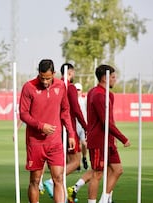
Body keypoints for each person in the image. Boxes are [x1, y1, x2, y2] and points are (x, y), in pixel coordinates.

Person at [19, 59, 76, 203]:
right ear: (38, 73)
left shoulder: (61, 86)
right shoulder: (29, 87)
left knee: (58, 178)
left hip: (55, 142)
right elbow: (23, 114)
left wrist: (71, 133)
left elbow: (65, 111)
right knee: (35, 181)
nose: (45, 81)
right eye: (42, 77)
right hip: (35, 143)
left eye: (48, 78)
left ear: (54, 74)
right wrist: (40, 126)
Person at [43, 63, 87, 201]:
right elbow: (75, 109)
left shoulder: (53, 84)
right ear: (71, 72)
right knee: (75, 161)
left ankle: (60, 192)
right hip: (67, 129)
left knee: (60, 161)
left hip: (53, 128)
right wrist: (86, 126)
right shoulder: (70, 87)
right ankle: (51, 182)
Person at [86, 65, 131, 203]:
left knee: (117, 170)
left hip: (108, 139)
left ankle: (104, 200)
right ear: (105, 78)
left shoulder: (108, 95)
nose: (115, 80)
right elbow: (105, 121)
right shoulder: (98, 94)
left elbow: (110, 119)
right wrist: (123, 138)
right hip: (98, 140)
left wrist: (113, 138)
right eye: (112, 77)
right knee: (97, 174)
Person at [74, 82, 88, 170]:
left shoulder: (84, 100)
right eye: (76, 89)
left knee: (84, 144)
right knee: (76, 146)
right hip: (74, 126)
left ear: (81, 90)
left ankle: (84, 158)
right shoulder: (71, 100)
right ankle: (77, 162)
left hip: (83, 126)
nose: (77, 91)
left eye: (78, 90)